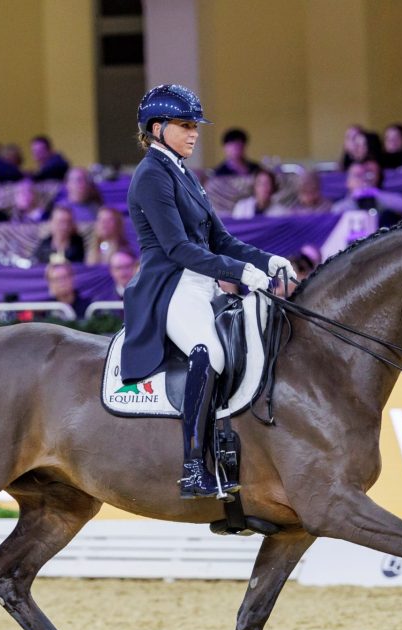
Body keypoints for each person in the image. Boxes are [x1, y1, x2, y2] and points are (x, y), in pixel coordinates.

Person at [122, 84, 289, 500]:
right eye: (185, 126)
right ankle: (194, 465)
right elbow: (178, 248)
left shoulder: (185, 173)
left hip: (201, 283)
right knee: (209, 352)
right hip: (171, 285)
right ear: (157, 128)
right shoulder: (150, 176)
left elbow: (220, 239)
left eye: (195, 125)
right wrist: (240, 273)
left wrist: (268, 262)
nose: (194, 133)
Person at [331, 160, 402, 224]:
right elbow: (336, 213)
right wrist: (354, 198)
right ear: (348, 182)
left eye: (367, 175)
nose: (363, 180)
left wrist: (376, 194)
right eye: (357, 175)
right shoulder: (341, 206)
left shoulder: (380, 198)